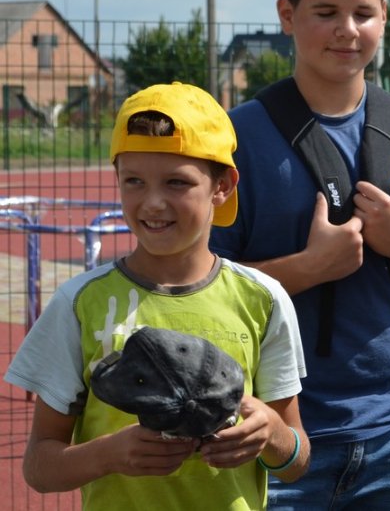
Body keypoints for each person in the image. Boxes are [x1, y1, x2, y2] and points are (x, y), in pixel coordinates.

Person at [208, 0, 390, 510]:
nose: (347, 29)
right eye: (326, 12)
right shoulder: (234, 138)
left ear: (384, 18)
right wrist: (308, 267)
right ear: (287, 14)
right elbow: (202, 290)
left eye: (363, 13)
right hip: (274, 432)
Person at [3, 82, 309, 510]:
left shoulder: (263, 299)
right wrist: (109, 454)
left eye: (176, 182)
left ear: (222, 186)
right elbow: (39, 467)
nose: (152, 203)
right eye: (134, 181)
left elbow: (296, 460)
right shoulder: (79, 304)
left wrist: (270, 433)